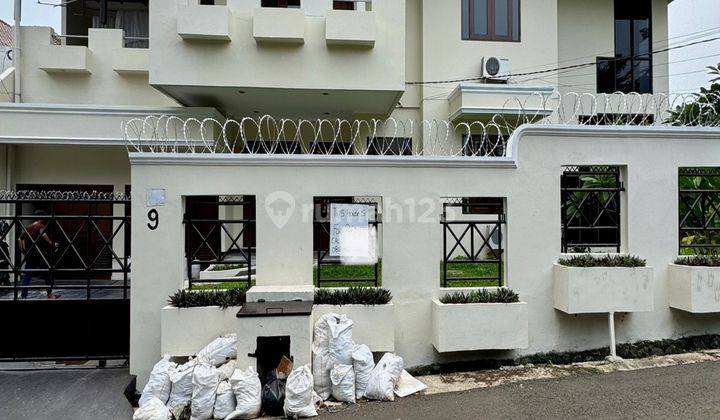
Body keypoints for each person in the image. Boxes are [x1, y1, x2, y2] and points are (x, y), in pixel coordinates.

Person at [18, 210, 59, 299]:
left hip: (30, 254)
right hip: (40, 254)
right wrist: (53, 244)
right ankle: (50, 295)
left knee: (27, 274)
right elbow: (44, 237)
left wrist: (23, 251)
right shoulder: (40, 226)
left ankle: (23, 296)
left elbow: (20, 239)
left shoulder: (29, 227)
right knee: (47, 273)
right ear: (42, 218)